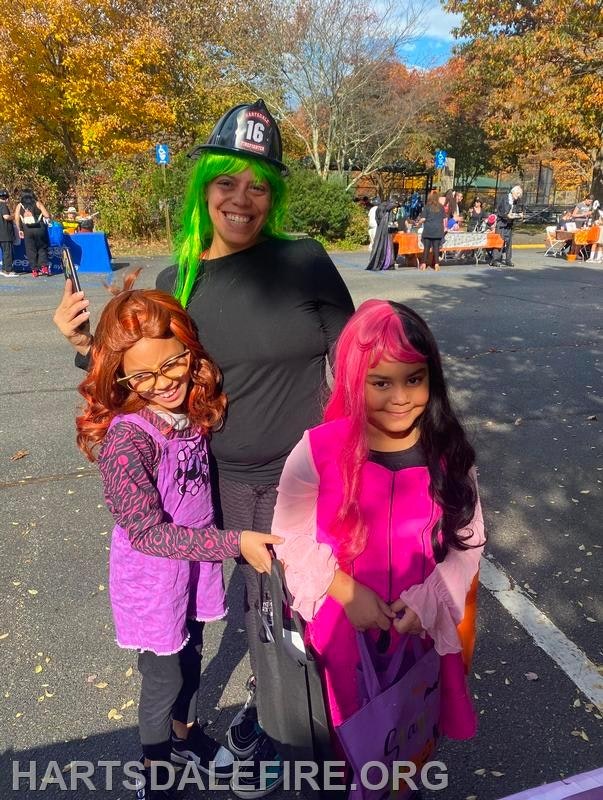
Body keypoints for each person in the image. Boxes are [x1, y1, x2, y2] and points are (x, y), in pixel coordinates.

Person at [53, 98, 354, 797]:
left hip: (309, 477)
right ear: (203, 188)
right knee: (257, 613)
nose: (242, 199)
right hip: (222, 482)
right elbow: (148, 378)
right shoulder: (177, 280)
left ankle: (320, 734)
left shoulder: (304, 261)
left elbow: (356, 360)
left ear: (273, 197)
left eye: (259, 186)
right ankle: (271, 719)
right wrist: (84, 347)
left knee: (316, 609)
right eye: (226, 182)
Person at [76, 279, 282, 799]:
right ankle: (155, 767)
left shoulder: (190, 407)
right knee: (163, 679)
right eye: (142, 375)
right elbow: (145, 532)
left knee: (192, 656)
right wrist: (234, 543)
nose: (163, 382)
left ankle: (186, 738)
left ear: (190, 349)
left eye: (173, 363)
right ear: (122, 376)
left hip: (192, 570)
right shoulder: (129, 439)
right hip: (152, 581)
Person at [272, 299, 485, 783]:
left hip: (418, 628)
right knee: (347, 743)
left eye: (414, 379)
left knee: (409, 736)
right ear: (353, 380)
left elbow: (468, 541)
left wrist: (429, 599)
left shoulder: (449, 453)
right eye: (381, 382)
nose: (400, 398)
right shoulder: (317, 450)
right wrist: (345, 591)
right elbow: (288, 535)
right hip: (342, 631)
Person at [14, 188, 51, 277]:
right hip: (39, 228)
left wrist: (20, 229)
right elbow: (47, 215)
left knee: (30, 249)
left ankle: (34, 269)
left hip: (27, 229)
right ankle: (44, 267)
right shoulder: (38, 203)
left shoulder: (20, 205)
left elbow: (16, 218)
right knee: (42, 247)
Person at [490, 185, 523, 267]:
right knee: (499, 242)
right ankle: (495, 260)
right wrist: (506, 215)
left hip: (509, 224)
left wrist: (519, 214)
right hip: (501, 223)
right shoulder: (504, 198)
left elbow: (517, 210)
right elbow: (499, 211)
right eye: (518, 194)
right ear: (513, 192)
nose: (518, 196)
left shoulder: (516, 201)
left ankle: (508, 260)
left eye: (519, 194)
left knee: (509, 243)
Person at [366, 198, 397, 270]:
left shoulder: (380, 208)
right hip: (382, 230)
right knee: (381, 245)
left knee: (377, 244)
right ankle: (384, 262)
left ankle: (382, 261)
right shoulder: (383, 208)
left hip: (379, 228)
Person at [418, 189, 445, 270]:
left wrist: (418, 223)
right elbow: (444, 219)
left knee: (426, 248)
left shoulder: (427, 206)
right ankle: (436, 264)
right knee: (436, 248)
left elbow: (423, 219)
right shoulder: (441, 207)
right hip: (438, 230)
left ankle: (423, 264)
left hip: (428, 229)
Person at [0, 189, 17, 277]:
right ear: (6, 198)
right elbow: (6, 217)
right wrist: (14, 216)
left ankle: (3, 269)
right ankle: (8, 271)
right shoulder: (3, 206)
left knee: (4, 252)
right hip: (5, 232)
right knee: (7, 252)